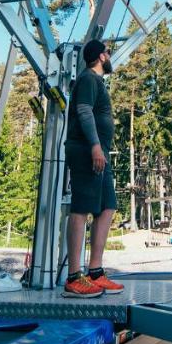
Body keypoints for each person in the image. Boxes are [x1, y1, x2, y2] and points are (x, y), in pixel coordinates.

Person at [63, 39, 125, 299]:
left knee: (107, 205)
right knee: (81, 207)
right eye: (108, 52)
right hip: (88, 150)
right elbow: (84, 112)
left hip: (99, 153)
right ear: (101, 56)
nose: (110, 56)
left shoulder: (97, 82)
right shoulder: (88, 79)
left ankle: (95, 272)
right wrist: (95, 146)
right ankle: (74, 276)